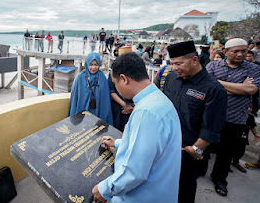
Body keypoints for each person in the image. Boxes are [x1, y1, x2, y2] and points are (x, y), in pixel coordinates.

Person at [92, 53, 181, 203]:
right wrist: (118, 143)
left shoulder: (146, 112)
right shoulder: (160, 101)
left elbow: (135, 171)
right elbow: (151, 147)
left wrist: (104, 189)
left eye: (115, 84)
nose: (117, 89)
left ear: (124, 79)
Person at [163, 41, 227, 203]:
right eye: (172, 64)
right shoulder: (171, 78)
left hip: (188, 152)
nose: (175, 68)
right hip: (165, 147)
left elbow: (212, 126)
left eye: (179, 63)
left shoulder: (213, 89)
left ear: (194, 60)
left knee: (184, 191)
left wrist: (196, 150)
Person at [206, 38, 260, 197]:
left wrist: (218, 84)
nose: (240, 54)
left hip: (235, 117)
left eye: (243, 51)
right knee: (204, 145)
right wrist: (240, 87)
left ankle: (219, 178)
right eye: (235, 51)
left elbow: (251, 90)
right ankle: (199, 169)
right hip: (211, 114)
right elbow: (207, 87)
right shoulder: (213, 65)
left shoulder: (253, 68)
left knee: (226, 151)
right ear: (225, 52)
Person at [68, 52, 112, 125]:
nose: (93, 68)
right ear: (87, 64)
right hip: (82, 111)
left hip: (98, 112)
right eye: (91, 64)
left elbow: (105, 100)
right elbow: (75, 98)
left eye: (96, 65)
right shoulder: (80, 77)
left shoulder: (102, 77)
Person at [231, 104, 260, 173]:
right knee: (231, 150)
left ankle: (236, 162)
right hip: (234, 136)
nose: (249, 109)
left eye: (251, 108)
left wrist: (255, 134)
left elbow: (252, 127)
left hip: (244, 137)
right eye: (248, 107)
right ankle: (227, 163)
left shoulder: (250, 117)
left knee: (241, 151)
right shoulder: (238, 115)